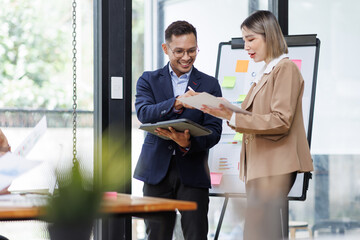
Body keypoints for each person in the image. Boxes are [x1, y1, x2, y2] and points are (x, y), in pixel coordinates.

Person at [201, 11, 314, 240]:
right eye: (244, 40)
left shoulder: (285, 69)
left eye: (251, 39)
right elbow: (253, 115)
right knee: (260, 232)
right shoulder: (264, 73)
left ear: (269, 36)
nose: (246, 46)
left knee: (258, 233)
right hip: (260, 165)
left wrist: (232, 117)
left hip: (274, 166)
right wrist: (225, 109)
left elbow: (281, 120)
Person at [134, 20, 222, 240]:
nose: (186, 57)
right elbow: (144, 113)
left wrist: (188, 143)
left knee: (196, 234)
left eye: (192, 50)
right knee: (157, 235)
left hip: (193, 170)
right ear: (166, 49)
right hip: (156, 171)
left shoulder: (209, 85)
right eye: (179, 51)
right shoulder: (148, 80)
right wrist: (177, 103)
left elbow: (214, 130)